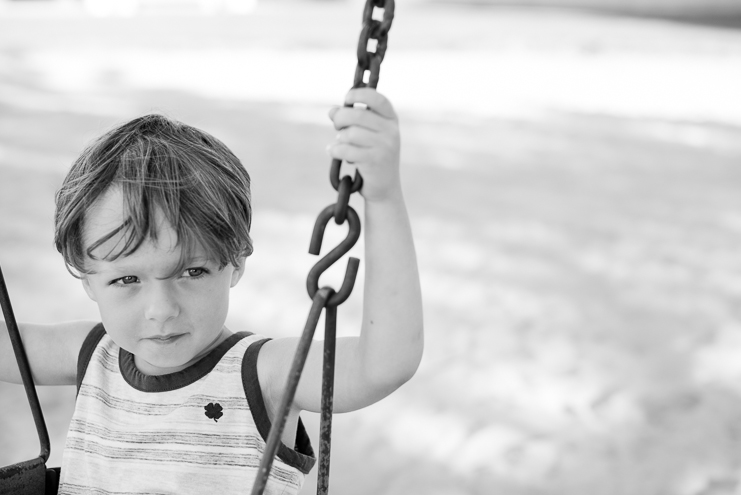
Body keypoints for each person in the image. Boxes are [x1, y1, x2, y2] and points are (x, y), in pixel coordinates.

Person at [0, 88, 424, 495]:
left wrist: (383, 199)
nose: (161, 310)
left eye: (192, 271)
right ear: (87, 277)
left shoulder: (264, 376)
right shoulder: (91, 355)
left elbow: (383, 363)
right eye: (127, 280)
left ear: (236, 260)